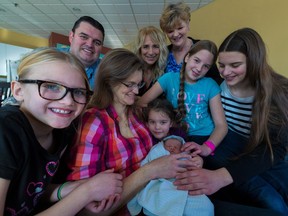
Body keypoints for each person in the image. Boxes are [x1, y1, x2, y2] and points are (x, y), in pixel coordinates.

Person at [66, 48, 196, 215]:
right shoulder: (94, 123)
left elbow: (166, 130)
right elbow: (86, 208)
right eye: (129, 84)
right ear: (109, 81)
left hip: (156, 195)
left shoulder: (136, 112)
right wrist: (149, 171)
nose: (136, 91)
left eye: (138, 84)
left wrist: (183, 148)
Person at [174, 28, 288, 215]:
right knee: (273, 204)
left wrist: (220, 177)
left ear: (254, 61)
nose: (226, 72)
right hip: (227, 145)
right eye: (221, 65)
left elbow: (276, 148)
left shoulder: (279, 91)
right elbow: (193, 64)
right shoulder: (215, 79)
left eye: (235, 65)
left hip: (263, 151)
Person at [0, 47, 123, 216]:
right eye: (51, 86)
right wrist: (85, 193)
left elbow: (31, 192)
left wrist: (69, 189)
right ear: (18, 91)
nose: (67, 102)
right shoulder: (5, 130)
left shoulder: (63, 130)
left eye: (78, 92)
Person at [138, 40, 228, 157]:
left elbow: (221, 125)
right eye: (196, 60)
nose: (199, 68)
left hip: (204, 137)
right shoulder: (169, 79)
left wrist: (207, 147)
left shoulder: (210, 85)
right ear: (187, 57)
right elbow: (141, 103)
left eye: (206, 66)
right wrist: (159, 122)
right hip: (175, 136)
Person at [128, 135, 213, 216]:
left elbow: (193, 169)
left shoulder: (185, 157)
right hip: (160, 184)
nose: (172, 148)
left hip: (182, 185)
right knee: (156, 205)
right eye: (168, 146)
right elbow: (148, 163)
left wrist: (197, 162)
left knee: (205, 206)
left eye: (176, 147)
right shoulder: (157, 151)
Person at [159, 2, 223, 85]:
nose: (175, 34)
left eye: (180, 28)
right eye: (170, 31)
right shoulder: (164, 53)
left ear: (188, 24)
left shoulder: (202, 48)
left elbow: (216, 80)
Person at [62, 16, 105, 90]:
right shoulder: (46, 59)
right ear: (71, 36)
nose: (89, 45)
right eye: (84, 37)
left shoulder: (106, 72)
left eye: (97, 42)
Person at [132, 26, 168, 95]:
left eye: (155, 46)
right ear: (139, 49)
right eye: (145, 47)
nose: (151, 52)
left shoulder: (166, 71)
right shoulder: (130, 71)